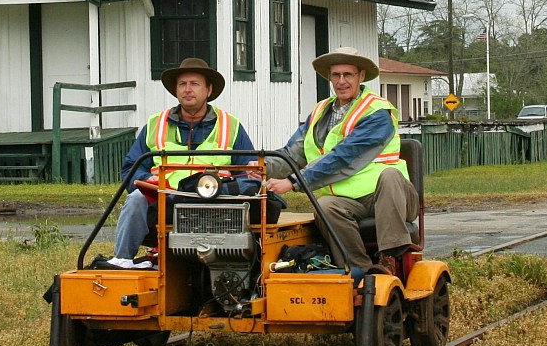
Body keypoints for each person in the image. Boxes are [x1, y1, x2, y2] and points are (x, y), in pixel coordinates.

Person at [262, 47, 418, 275]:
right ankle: (361, 271)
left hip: (391, 198)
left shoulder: (377, 112)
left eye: (348, 75)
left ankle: (390, 259)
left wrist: (294, 181)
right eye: (336, 75)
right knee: (325, 206)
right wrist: (257, 167)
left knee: (389, 176)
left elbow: (344, 156)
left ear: (361, 76)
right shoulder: (319, 112)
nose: (341, 81)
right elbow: (292, 153)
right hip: (350, 203)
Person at [104, 58, 256, 269]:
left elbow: (251, 174)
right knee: (136, 197)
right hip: (163, 201)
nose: (187, 90)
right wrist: (146, 179)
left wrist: (226, 187)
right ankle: (122, 260)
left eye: (194, 84)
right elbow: (131, 168)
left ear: (209, 90)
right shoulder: (155, 124)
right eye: (182, 84)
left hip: (215, 203)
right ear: (176, 90)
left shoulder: (230, 125)